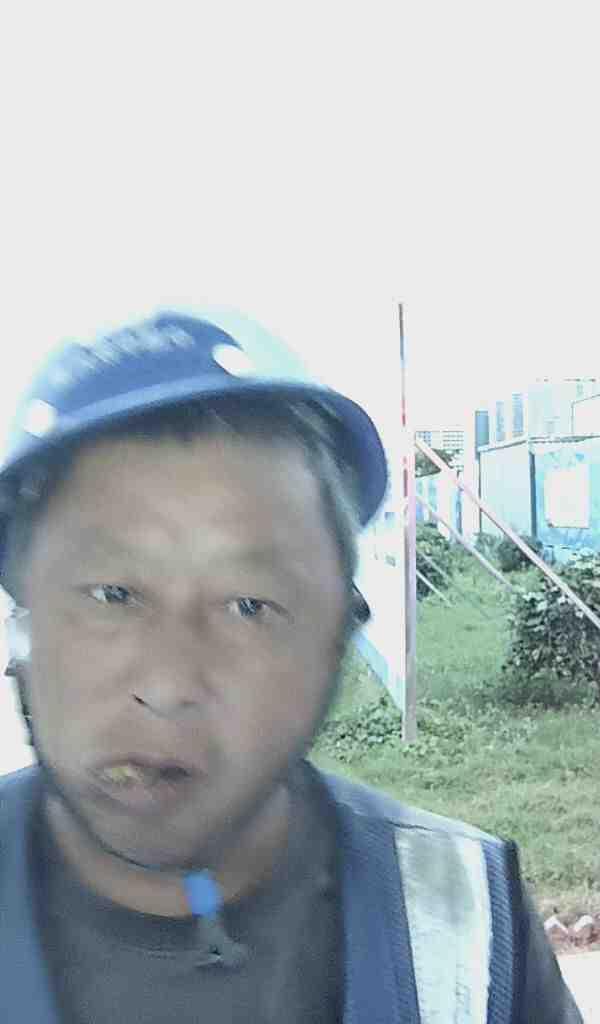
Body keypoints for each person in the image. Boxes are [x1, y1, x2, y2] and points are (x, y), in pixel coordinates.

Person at [0, 311, 582, 1023]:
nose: (168, 684)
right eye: (112, 594)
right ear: (22, 620)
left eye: (248, 606)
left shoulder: (462, 920)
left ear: (337, 641)